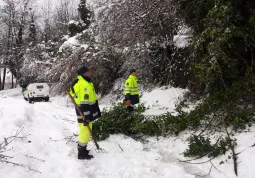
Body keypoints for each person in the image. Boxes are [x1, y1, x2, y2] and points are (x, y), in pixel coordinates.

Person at [70, 66, 101, 160]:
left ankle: (82, 149)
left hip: (83, 111)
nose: (90, 73)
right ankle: (81, 153)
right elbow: (84, 102)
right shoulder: (84, 84)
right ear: (84, 73)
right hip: (84, 112)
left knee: (85, 130)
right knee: (85, 132)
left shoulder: (84, 82)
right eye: (88, 72)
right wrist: (87, 117)